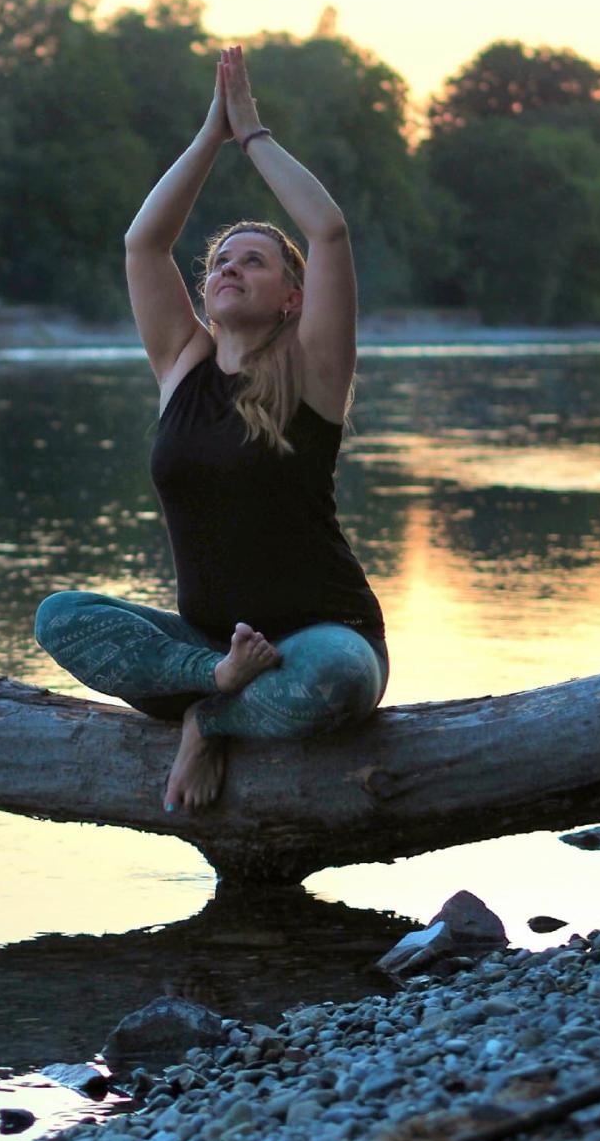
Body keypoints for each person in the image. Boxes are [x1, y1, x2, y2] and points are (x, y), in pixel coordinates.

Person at [35, 44, 387, 814]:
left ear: (292, 297)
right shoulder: (182, 366)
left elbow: (328, 233)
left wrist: (252, 133)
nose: (230, 267)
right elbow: (143, 244)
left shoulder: (316, 369)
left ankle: (211, 720)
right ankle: (216, 688)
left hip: (320, 636)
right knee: (60, 616)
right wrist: (207, 136)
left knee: (341, 680)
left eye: (254, 262)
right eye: (222, 260)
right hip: (209, 647)